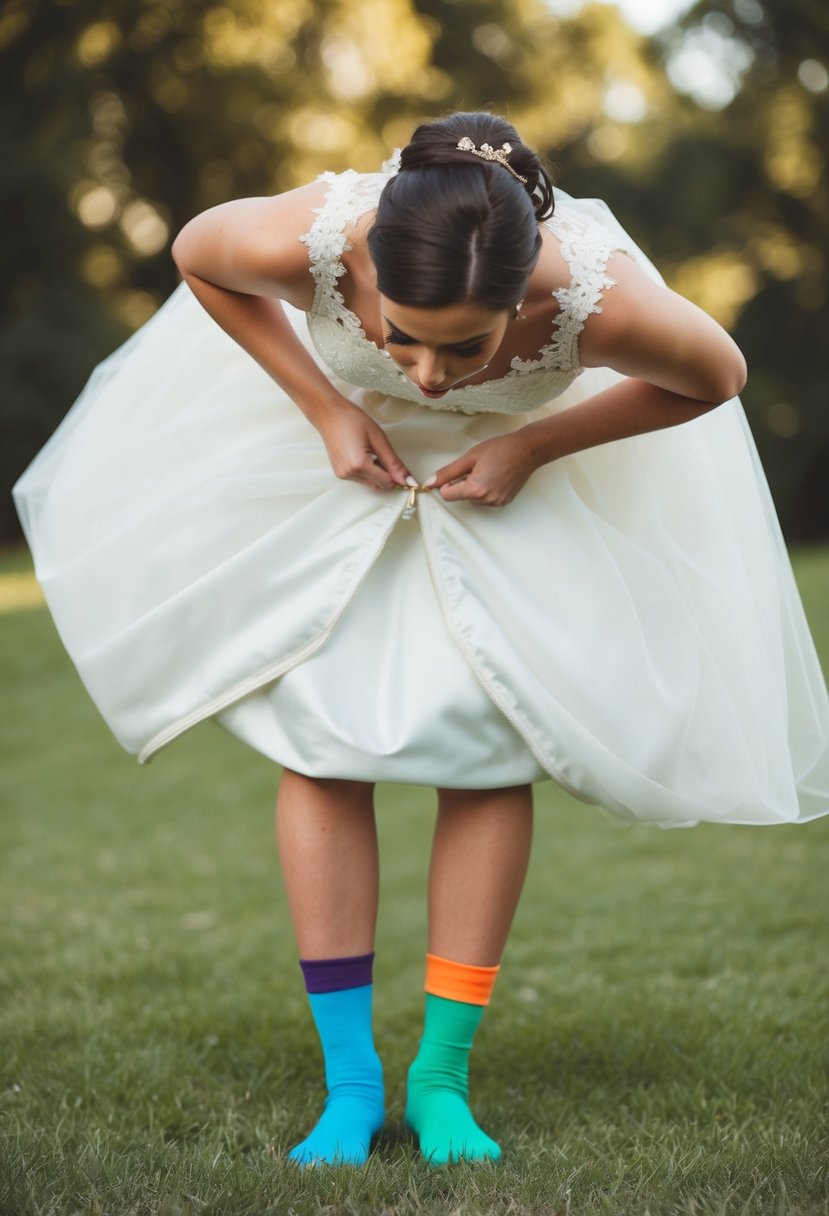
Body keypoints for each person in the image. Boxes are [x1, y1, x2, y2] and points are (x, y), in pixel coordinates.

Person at [13, 111, 829, 1168]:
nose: (431, 375)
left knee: (484, 754)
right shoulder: (315, 234)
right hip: (341, 467)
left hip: (501, 490)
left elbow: (713, 377)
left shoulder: (593, 291)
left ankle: (442, 1079)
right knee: (321, 747)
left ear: (522, 297)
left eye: (466, 347)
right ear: (368, 270)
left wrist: (535, 441)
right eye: (402, 334)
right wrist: (324, 404)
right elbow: (196, 256)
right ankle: (350, 1084)